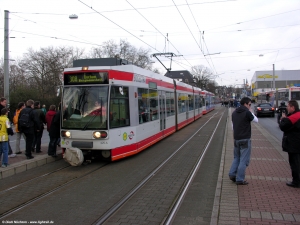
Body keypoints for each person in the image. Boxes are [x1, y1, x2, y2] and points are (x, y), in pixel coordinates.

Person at [229, 97, 258, 185]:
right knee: (243, 160)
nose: (250, 106)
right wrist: (252, 112)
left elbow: (233, 127)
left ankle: (232, 174)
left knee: (236, 157)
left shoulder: (234, 113)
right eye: (249, 104)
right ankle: (240, 179)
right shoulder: (247, 112)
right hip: (245, 138)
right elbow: (256, 120)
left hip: (236, 138)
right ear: (245, 104)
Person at [279, 100, 300, 188]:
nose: (287, 107)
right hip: (297, 143)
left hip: (294, 144)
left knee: (294, 163)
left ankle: (296, 182)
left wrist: (283, 119)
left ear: (293, 107)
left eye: (288, 106)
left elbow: (283, 126)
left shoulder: (293, 117)